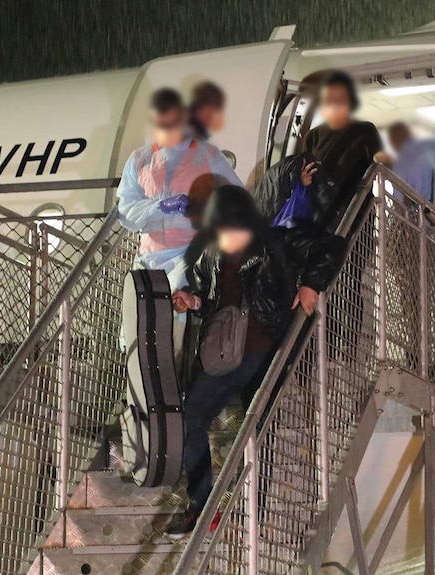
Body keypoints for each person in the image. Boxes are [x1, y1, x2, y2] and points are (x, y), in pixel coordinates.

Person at [164, 185, 345, 537]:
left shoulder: (275, 243)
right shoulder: (211, 255)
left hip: (264, 352)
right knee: (191, 417)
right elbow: (207, 295)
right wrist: (192, 300)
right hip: (223, 355)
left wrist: (310, 283)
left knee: (257, 431)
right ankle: (200, 506)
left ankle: (252, 511)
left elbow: (331, 247)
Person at [116, 87, 241, 290]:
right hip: (149, 259)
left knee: (177, 314)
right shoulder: (139, 159)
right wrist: (160, 206)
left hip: (192, 257)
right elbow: (125, 212)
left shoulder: (209, 156)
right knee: (144, 316)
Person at [302, 71, 383, 223]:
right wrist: (303, 179)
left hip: (356, 214)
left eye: (340, 99)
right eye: (328, 100)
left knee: (354, 246)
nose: (334, 104)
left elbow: (383, 160)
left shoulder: (365, 130)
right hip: (322, 214)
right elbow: (304, 172)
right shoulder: (313, 136)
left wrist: (381, 157)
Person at [387, 121, 435, 203]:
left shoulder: (401, 162)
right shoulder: (426, 149)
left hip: (416, 207)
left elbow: (401, 196)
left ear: (394, 140)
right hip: (433, 203)